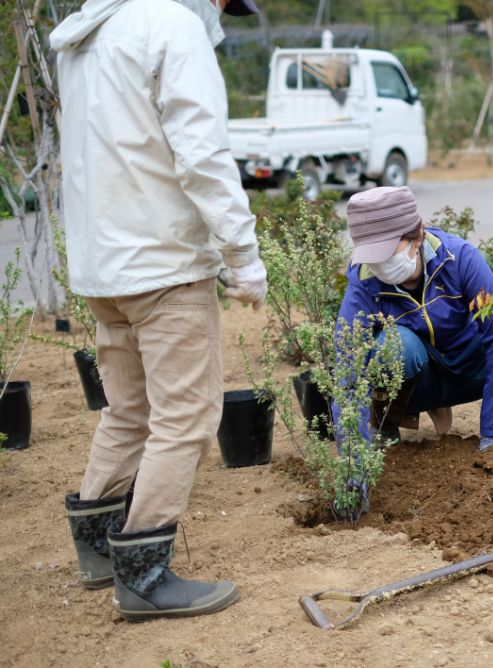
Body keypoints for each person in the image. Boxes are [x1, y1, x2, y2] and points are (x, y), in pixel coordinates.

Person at [51, 0, 265, 621]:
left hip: (103, 266)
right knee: (188, 416)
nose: (222, 12)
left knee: (131, 410)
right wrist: (241, 252)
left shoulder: (86, 34)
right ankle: (143, 575)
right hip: (162, 264)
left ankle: (98, 551)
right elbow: (201, 153)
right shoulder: (172, 25)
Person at [334, 186, 493, 455]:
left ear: (417, 235)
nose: (378, 264)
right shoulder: (363, 283)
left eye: (386, 252)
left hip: (471, 370)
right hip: (418, 386)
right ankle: (385, 426)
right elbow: (348, 371)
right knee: (396, 346)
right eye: (371, 256)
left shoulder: (460, 259)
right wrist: (354, 464)